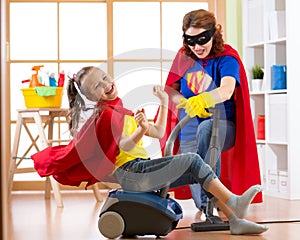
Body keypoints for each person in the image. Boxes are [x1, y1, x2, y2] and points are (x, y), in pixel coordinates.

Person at [32, 66, 268, 235]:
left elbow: (157, 131)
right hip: (132, 172)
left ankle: (235, 220)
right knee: (193, 160)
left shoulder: (120, 110)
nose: (106, 84)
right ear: (91, 97)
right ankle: (235, 204)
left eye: (105, 77)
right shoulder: (106, 115)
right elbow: (122, 146)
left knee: (198, 169)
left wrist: (164, 102)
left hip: (139, 169)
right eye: (97, 85)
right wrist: (139, 131)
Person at [159, 9, 262, 211]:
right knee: (200, 201)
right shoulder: (184, 57)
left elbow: (227, 90)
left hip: (223, 128)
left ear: (213, 33)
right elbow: (171, 89)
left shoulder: (227, 57)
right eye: (190, 41)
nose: (196, 46)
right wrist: (184, 102)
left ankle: (221, 202)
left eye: (202, 39)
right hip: (190, 131)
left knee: (207, 128)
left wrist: (204, 99)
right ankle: (210, 201)